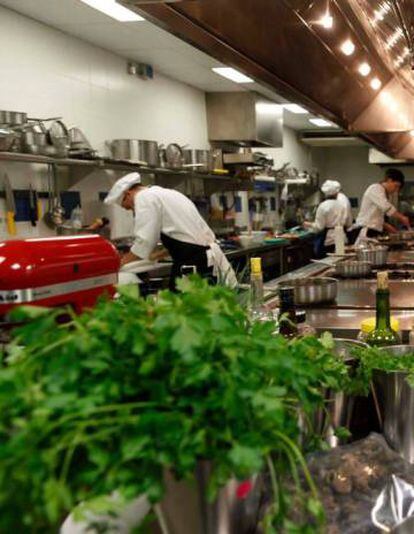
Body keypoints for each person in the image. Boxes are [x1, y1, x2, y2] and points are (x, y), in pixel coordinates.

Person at [104, 172, 237, 290]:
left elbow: (144, 242)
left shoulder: (144, 198)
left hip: (192, 265)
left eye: (128, 206)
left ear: (128, 194)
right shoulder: (167, 193)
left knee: (182, 311)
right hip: (204, 258)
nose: (131, 210)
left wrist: (120, 264)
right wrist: (159, 255)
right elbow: (186, 237)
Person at [353, 168, 410, 244]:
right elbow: (386, 207)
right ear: (389, 180)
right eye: (396, 186)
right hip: (366, 231)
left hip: (373, 231)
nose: (396, 190)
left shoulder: (384, 193)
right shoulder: (375, 188)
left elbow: (377, 218)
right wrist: (402, 217)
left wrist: (391, 229)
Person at [304, 179, 351, 258]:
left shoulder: (323, 206)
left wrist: (309, 224)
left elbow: (319, 227)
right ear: (336, 193)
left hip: (329, 240)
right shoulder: (342, 205)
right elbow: (348, 223)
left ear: (325, 193)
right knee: (340, 260)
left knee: (328, 261)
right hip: (342, 238)